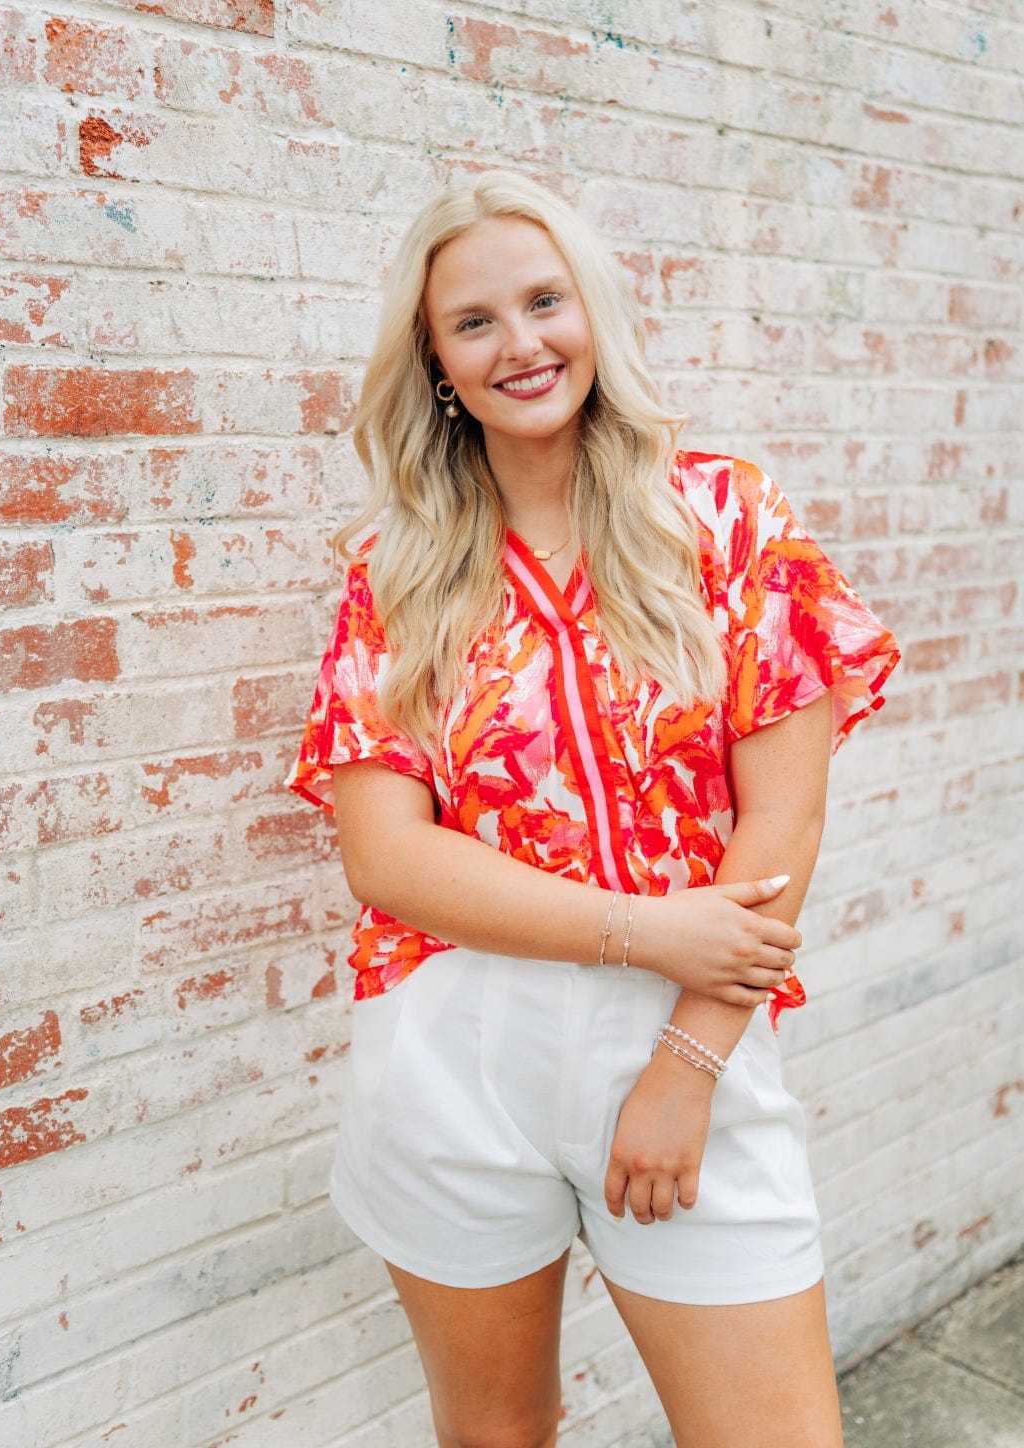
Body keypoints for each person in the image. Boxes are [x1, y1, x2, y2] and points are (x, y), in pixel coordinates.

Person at [287, 170, 899, 1448]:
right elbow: (383, 853)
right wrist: (642, 926)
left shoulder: (726, 518)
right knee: (497, 1434)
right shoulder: (393, 569)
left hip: (690, 1035)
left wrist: (684, 1064)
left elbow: (775, 832)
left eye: (542, 300)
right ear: (436, 362)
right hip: (452, 1052)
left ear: (592, 310)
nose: (519, 343)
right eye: (473, 322)